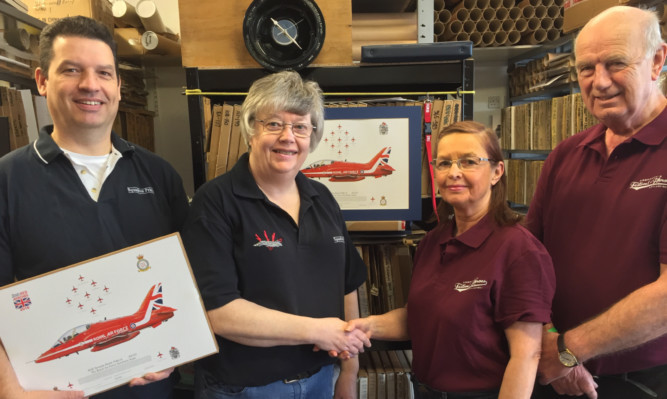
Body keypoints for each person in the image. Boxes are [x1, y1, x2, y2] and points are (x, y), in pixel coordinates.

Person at [0, 16, 189, 399]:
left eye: (104, 72)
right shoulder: (7, 181)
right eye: (72, 70)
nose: (90, 85)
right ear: (41, 81)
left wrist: (179, 346)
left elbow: (188, 279)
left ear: (118, 85)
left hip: (152, 390)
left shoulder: (160, 175)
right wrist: (8, 389)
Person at [180, 70, 369, 399]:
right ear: (251, 130)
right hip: (245, 389)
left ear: (312, 136)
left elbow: (347, 285)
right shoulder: (215, 203)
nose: (288, 137)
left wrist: (349, 372)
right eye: (274, 124)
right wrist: (317, 331)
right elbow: (219, 314)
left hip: (321, 379)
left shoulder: (323, 198)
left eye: (300, 126)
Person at [347, 121, 556, 399]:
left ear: (497, 171)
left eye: (468, 161)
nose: (453, 173)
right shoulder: (433, 241)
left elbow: (527, 355)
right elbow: (420, 317)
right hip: (425, 391)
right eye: (444, 163)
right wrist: (367, 326)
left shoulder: (519, 249)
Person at [527, 6, 667, 399]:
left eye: (616, 63)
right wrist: (548, 338)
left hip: (641, 380)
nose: (599, 82)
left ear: (657, 60)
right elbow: (527, 262)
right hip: (553, 369)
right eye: (586, 68)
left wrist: (569, 351)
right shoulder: (567, 154)